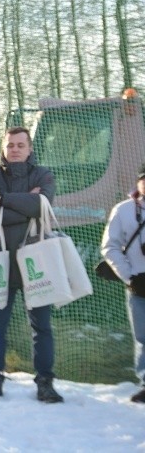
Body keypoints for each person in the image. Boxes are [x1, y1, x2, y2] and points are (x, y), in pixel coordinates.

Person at [0, 126, 63, 403]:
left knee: (41, 327)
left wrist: (6, 201)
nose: (15, 149)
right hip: (1, 263)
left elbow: (43, 206)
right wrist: (26, 203)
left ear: (30, 149)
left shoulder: (43, 174)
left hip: (36, 264)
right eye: (11, 145)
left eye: (21, 145)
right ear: (4, 149)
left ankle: (45, 382)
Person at [100, 165, 145, 403]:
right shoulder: (123, 210)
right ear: (138, 182)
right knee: (143, 336)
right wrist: (129, 276)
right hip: (138, 283)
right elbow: (110, 246)